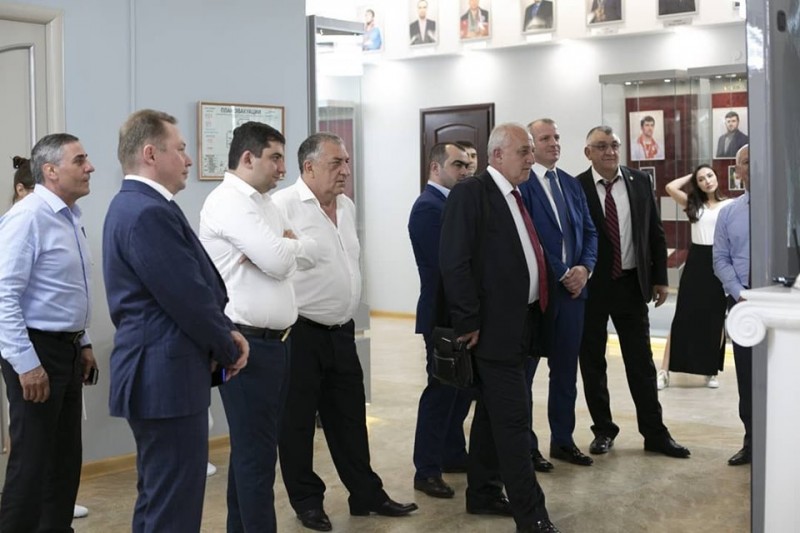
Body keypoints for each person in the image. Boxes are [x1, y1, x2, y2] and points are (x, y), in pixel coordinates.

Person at [103, 109, 249, 532]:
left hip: (161, 375)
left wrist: (224, 335)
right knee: (174, 507)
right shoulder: (146, 211)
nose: (188, 160)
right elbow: (188, 299)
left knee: (160, 499)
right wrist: (228, 346)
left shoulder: (139, 205)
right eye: (181, 149)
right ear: (151, 154)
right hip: (164, 379)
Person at [273, 133, 417, 532]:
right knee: (297, 423)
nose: (346, 171)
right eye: (336, 163)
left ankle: (366, 493)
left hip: (341, 331)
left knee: (350, 417)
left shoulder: (347, 206)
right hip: (300, 333)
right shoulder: (282, 206)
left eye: (347, 162)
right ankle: (307, 501)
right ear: (309, 167)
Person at [439, 123, 559, 533]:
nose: (530, 158)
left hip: (522, 323)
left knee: (492, 415)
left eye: (530, 151)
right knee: (514, 422)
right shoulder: (471, 193)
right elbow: (454, 261)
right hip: (491, 331)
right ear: (497, 155)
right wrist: (467, 320)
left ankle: (483, 491)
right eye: (523, 151)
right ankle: (533, 516)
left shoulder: (517, 194)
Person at [199, 122, 316, 531]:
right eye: (275, 158)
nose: (283, 168)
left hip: (278, 343)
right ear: (248, 158)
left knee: (254, 452)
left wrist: (284, 248)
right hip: (246, 345)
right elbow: (282, 261)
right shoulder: (228, 202)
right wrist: (282, 250)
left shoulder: (265, 203)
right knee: (257, 456)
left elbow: (308, 252)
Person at [0, 135, 97, 531]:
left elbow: (67, 289)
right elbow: (4, 295)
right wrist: (27, 365)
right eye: (80, 160)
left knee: (64, 461)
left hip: (67, 349)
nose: (90, 167)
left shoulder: (69, 216)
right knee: (32, 465)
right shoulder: (28, 217)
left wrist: (83, 342)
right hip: (36, 350)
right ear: (51, 170)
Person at [576, 126, 690, 459]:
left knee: (641, 363)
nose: (610, 151)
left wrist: (660, 278)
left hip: (631, 284)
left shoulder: (639, 181)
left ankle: (655, 433)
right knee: (593, 363)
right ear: (588, 152)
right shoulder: (576, 187)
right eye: (601, 146)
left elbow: (654, 232)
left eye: (614, 145)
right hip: (592, 288)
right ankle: (603, 430)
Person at [519, 119, 597, 469]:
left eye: (556, 137)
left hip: (574, 295)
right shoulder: (522, 185)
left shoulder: (570, 183)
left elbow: (590, 232)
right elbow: (530, 238)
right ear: (531, 145)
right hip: (539, 295)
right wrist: (563, 272)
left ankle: (563, 441)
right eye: (545, 138)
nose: (554, 143)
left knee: (565, 372)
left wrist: (585, 269)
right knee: (525, 375)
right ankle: (527, 446)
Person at [409, 143, 473, 499]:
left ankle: (452, 454)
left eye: (467, 165)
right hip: (442, 315)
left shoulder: (451, 203)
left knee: (460, 390)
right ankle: (427, 469)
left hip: (459, 314)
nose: (465, 171)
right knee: (441, 390)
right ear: (436, 168)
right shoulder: (428, 208)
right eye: (457, 165)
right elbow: (446, 265)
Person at [657, 166, 732, 390]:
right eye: (701, 179)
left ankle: (710, 370)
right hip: (697, 261)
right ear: (696, 184)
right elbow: (670, 187)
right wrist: (692, 174)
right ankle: (664, 371)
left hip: (719, 260)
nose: (707, 181)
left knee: (715, 317)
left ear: (716, 177)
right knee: (682, 315)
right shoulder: (693, 204)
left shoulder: (730, 205)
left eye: (709, 175)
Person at [713, 144, 752, 466]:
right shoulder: (728, 213)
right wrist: (740, 293)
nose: (752, 167)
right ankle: (752, 441)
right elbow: (720, 259)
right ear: (737, 171)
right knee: (748, 377)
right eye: (746, 163)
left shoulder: (789, 206)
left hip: (782, 302)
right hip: (743, 303)